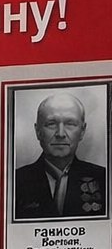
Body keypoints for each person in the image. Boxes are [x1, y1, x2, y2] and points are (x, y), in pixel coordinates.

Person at [14, 91, 107, 220]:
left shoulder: (104, 179)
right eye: (51, 124)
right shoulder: (15, 182)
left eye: (70, 124)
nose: (61, 134)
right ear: (38, 131)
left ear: (82, 131)